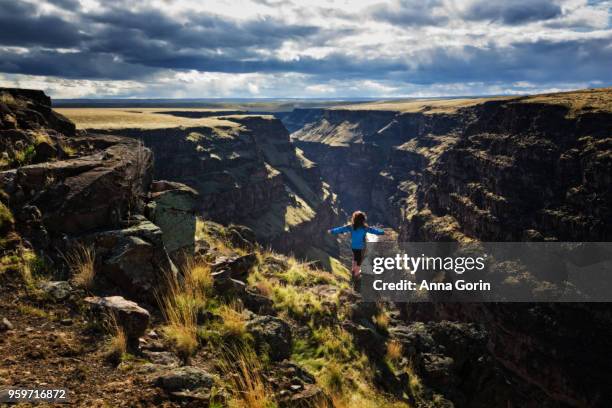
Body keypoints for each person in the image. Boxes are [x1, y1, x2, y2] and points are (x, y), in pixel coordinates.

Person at [329, 211, 384, 286]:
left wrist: (332, 231)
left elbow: (341, 229)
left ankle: (353, 270)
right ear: (363, 220)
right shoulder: (364, 228)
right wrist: (382, 232)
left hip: (354, 247)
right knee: (359, 261)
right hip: (362, 247)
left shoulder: (351, 227)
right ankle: (356, 275)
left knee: (355, 257)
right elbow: (374, 231)